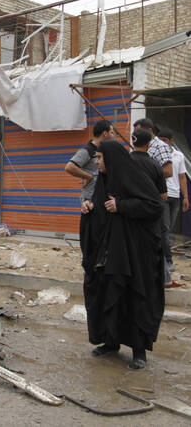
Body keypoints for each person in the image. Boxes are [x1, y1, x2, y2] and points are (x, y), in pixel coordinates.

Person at [79, 140, 164, 370]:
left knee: (134, 297)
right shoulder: (103, 181)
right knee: (108, 294)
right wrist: (88, 208)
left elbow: (155, 206)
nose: (97, 162)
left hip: (134, 255)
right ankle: (110, 341)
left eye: (100, 158)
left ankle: (139, 352)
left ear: (111, 158)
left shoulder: (134, 177)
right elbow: (99, 211)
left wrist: (123, 206)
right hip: (108, 255)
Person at [133, 118, 174, 288]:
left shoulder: (160, 146)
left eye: (138, 132)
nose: (134, 137)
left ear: (148, 131)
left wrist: (146, 174)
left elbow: (168, 171)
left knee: (160, 232)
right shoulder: (140, 150)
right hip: (144, 198)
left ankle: (167, 265)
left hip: (156, 197)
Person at [157, 129, 189, 288]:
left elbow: (182, 177)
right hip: (162, 196)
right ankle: (168, 261)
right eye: (160, 139)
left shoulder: (178, 156)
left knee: (166, 230)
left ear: (171, 140)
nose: (162, 142)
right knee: (165, 229)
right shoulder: (156, 154)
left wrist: (186, 197)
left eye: (165, 140)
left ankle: (165, 259)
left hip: (175, 197)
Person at [65, 120, 115, 204]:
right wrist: (89, 177)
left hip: (103, 196)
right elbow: (70, 167)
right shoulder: (88, 150)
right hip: (90, 199)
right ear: (105, 134)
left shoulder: (105, 151)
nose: (114, 136)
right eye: (112, 132)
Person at [130, 129, 167, 201]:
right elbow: (164, 196)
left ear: (133, 142)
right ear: (148, 144)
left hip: (126, 208)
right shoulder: (155, 165)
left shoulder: (123, 161)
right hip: (149, 208)